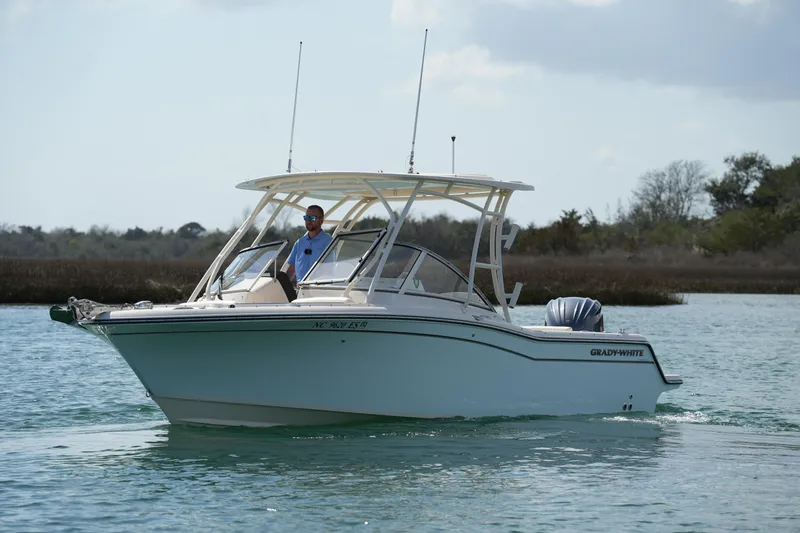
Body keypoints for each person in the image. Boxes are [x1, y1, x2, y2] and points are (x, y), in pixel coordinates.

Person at [285, 205, 333, 284]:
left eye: (313, 218)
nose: (309, 221)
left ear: (321, 221)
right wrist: (284, 288)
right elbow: (291, 269)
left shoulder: (329, 242)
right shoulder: (299, 243)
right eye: (307, 218)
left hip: (318, 290)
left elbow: (328, 270)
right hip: (301, 291)